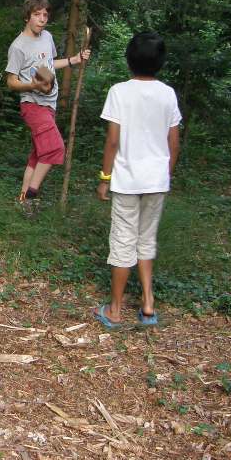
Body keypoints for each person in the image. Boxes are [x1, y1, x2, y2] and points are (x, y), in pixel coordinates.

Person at [94, 32, 181, 328]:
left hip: (127, 181)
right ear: (161, 61)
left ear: (129, 59)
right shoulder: (168, 94)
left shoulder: (119, 92)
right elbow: (173, 144)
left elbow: (112, 141)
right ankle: (147, 304)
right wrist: (166, 175)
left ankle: (115, 310)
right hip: (157, 180)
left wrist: (105, 178)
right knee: (146, 240)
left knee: (123, 242)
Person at [4, 0, 90, 202]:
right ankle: (31, 196)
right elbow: (11, 82)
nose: (42, 19)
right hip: (33, 105)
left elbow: (50, 64)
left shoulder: (47, 37)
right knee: (55, 148)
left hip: (49, 105)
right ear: (27, 17)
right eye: (37, 14)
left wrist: (74, 59)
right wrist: (32, 85)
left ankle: (22, 200)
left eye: (45, 14)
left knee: (39, 155)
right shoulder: (18, 46)